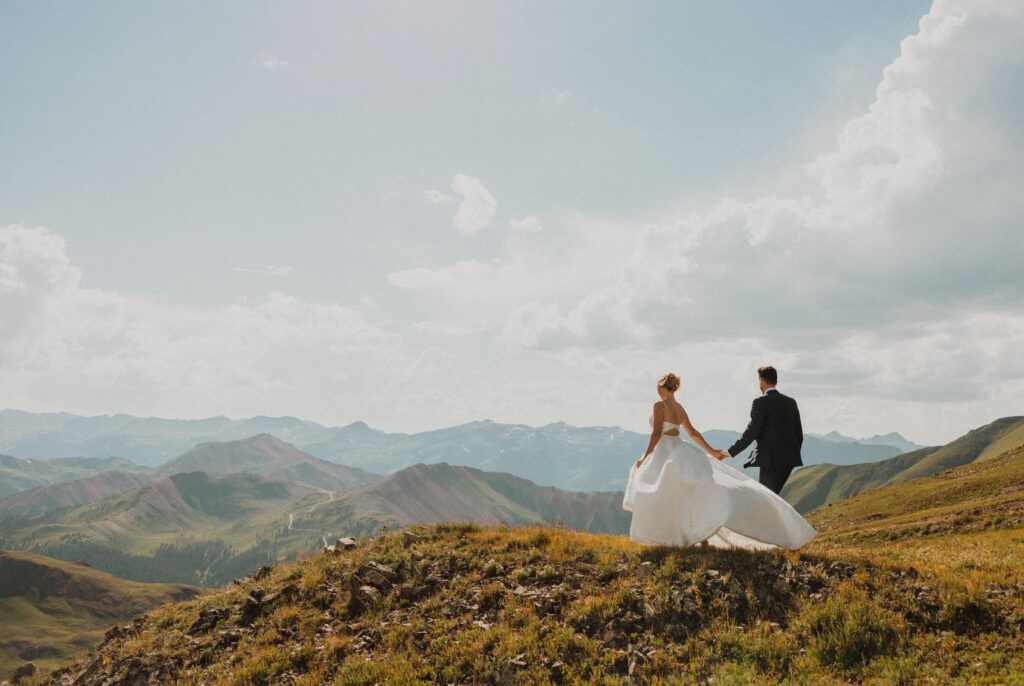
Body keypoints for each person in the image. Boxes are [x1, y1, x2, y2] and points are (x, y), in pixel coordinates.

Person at [622, 372, 815, 550]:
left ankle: (669, 535)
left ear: (662, 388)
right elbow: (693, 433)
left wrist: (644, 456)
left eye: (658, 387)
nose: (657, 390)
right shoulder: (679, 408)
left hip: (664, 451)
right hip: (680, 449)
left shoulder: (659, 406)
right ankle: (693, 535)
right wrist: (712, 452)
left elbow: (656, 433)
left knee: (658, 492)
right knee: (685, 492)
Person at [717, 365, 802, 494]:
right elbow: (798, 434)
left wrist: (729, 452)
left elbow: (751, 432)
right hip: (789, 461)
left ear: (761, 381)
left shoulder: (760, 402)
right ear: (776, 381)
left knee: (768, 499)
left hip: (770, 461)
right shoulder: (791, 402)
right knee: (773, 498)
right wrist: (790, 453)